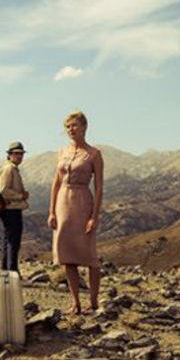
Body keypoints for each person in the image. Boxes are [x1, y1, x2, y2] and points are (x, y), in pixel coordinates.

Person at [47, 111, 104, 315]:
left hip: (83, 201)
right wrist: (51, 211)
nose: (71, 129)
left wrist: (94, 216)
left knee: (89, 254)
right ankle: (75, 302)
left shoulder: (94, 154)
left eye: (74, 125)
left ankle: (94, 301)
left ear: (84, 127)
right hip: (63, 203)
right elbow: (56, 182)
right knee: (67, 254)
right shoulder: (62, 152)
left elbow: (99, 187)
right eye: (68, 126)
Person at [0, 141, 29, 273]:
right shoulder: (9, 169)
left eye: (21, 154)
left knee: (9, 240)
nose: (19, 156)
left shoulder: (12, 168)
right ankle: (12, 271)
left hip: (10, 209)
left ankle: (5, 270)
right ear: (10, 155)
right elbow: (3, 190)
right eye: (16, 154)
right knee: (13, 242)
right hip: (11, 209)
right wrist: (20, 196)